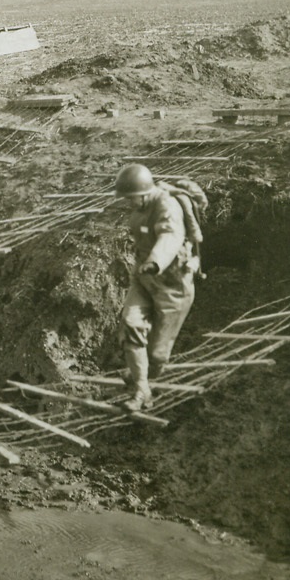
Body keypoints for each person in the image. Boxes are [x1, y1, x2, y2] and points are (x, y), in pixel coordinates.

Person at [113, 163, 199, 412]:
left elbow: (170, 237)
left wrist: (155, 261)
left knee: (158, 357)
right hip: (144, 279)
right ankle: (142, 390)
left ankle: (145, 372)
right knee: (131, 324)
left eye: (131, 198)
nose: (129, 203)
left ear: (144, 192)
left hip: (173, 284)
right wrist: (146, 267)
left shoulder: (167, 206)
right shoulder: (140, 206)